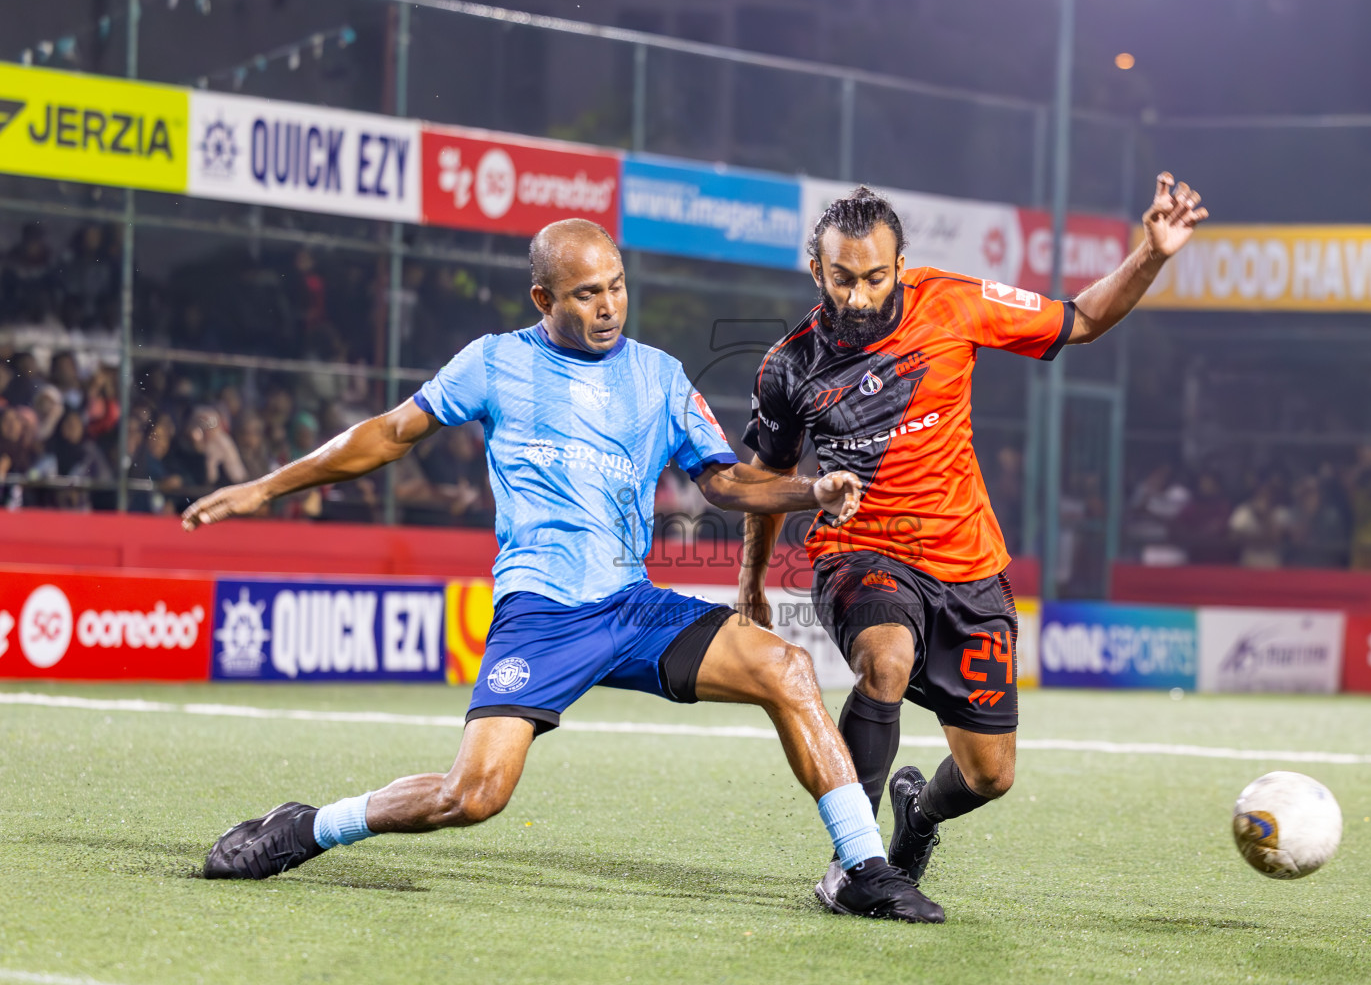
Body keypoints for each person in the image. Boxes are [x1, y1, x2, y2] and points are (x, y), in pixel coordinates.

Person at [181, 218, 943, 923]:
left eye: (616, 286)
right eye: (586, 294)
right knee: (472, 796)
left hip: (632, 607)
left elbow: (722, 480)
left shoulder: (658, 376)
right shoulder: (495, 361)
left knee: (787, 669)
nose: (608, 307)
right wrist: (265, 487)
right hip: (542, 613)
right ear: (544, 299)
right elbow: (388, 434)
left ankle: (862, 867)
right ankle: (309, 826)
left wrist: (809, 491)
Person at [736, 177, 1207, 903]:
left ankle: (918, 817)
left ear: (900, 266)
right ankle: (854, 865)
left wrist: (1152, 252)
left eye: (874, 278)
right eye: (841, 279)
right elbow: (766, 480)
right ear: (816, 271)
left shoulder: (953, 302)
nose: (858, 297)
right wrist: (751, 582)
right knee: (885, 661)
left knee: (991, 774)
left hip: (968, 565)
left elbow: (1082, 319)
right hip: (861, 553)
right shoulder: (790, 365)